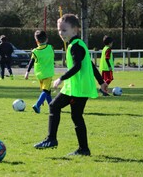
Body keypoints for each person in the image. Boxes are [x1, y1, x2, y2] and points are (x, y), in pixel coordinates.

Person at [33, 14, 108, 156]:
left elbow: (78, 66)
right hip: (76, 87)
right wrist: (101, 82)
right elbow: (91, 65)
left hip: (76, 88)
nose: (61, 33)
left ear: (75, 30)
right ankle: (83, 149)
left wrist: (61, 78)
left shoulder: (75, 46)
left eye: (64, 30)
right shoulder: (79, 44)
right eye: (59, 30)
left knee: (57, 107)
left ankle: (52, 140)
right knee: (74, 115)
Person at [24, 30, 55, 114]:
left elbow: (31, 61)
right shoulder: (50, 48)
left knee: (48, 91)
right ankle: (37, 105)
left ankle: (51, 107)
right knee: (45, 91)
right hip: (48, 73)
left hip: (39, 74)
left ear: (36, 40)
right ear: (47, 39)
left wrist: (27, 72)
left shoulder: (35, 51)